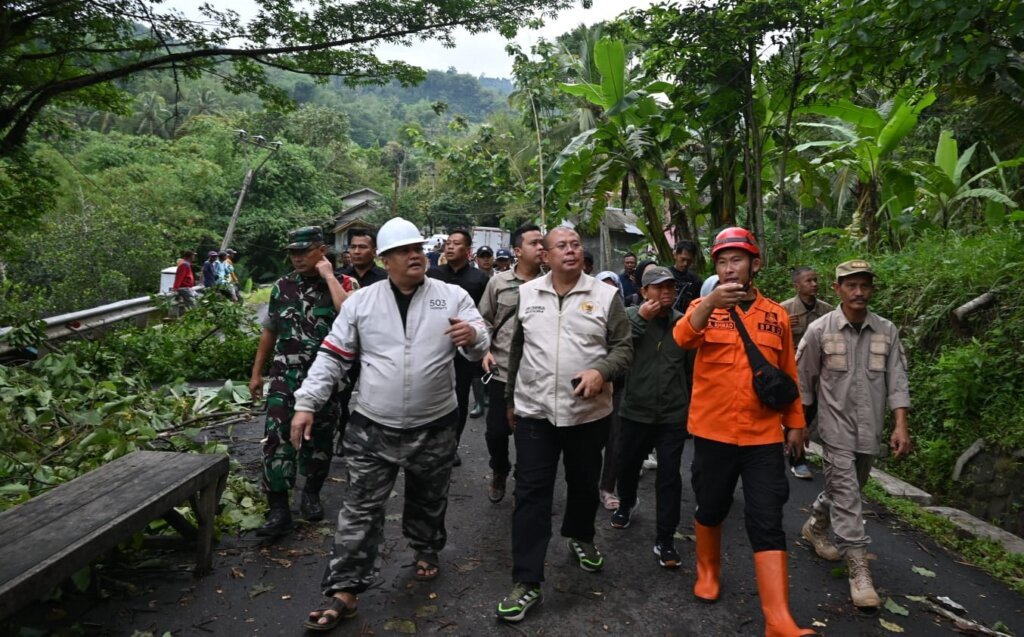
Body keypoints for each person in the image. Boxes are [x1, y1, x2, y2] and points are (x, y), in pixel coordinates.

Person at [290, 217, 489, 631]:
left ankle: (426, 546)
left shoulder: (451, 296)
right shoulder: (361, 303)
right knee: (360, 509)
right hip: (372, 425)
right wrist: (307, 402)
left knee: (428, 498)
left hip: (435, 422)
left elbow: (480, 339)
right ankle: (345, 589)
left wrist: (473, 338)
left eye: (418, 248)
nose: (414, 255)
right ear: (386, 259)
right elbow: (332, 356)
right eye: (403, 251)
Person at [673, 227, 813, 637]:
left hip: (762, 436)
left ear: (755, 264)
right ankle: (708, 571)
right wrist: (710, 302)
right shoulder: (702, 307)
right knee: (711, 506)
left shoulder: (776, 315)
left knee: (767, 518)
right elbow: (682, 338)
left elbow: (787, 373)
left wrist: (796, 423)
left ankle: (778, 619)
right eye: (722, 261)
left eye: (737, 260)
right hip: (713, 432)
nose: (729, 268)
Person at [496, 227, 633, 623]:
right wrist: (510, 399)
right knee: (531, 493)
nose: (571, 251)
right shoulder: (527, 294)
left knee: (583, 483)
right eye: (562, 246)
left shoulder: (605, 295)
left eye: (575, 245)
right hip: (535, 412)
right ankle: (526, 581)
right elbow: (517, 350)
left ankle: (581, 536)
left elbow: (624, 348)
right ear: (546, 255)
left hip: (587, 414)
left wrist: (601, 372)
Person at [797, 259, 911, 610]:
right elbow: (803, 382)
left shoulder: (886, 330)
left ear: (871, 289)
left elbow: (897, 380)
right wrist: (798, 425)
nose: (858, 292)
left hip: (870, 429)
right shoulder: (819, 330)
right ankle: (859, 569)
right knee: (848, 495)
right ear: (838, 289)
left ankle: (816, 525)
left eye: (864, 285)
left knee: (849, 488)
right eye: (851, 285)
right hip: (834, 428)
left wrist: (900, 424)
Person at [248, 227, 358, 539]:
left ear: (321, 250)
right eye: (293, 253)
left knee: (319, 440)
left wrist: (329, 277)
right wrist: (257, 373)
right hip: (285, 376)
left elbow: (349, 314)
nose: (297, 258)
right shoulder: (282, 286)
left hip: (325, 379)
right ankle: (278, 508)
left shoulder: (346, 284)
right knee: (276, 438)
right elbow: (270, 330)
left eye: (304, 251)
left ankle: (311, 493)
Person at [611, 265, 691, 569]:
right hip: (635, 409)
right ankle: (626, 502)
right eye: (658, 287)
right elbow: (616, 349)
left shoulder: (683, 322)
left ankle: (665, 538)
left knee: (669, 477)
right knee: (627, 464)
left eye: (670, 287)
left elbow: (691, 369)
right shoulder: (628, 317)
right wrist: (641, 320)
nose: (665, 292)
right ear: (644, 292)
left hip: (672, 414)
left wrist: (689, 406)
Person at [478, 224, 545, 503]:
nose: (541, 247)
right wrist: (484, 350)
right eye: (534, 243)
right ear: (518, 251)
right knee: (495, 432)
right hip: (502, 370)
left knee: (530, 434)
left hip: (537, 374)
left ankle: (524, 477)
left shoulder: (552, 282)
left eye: (543, 243)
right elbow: (484, 320)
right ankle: (500, 468)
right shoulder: (498, 283)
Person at [427, 229, 489, 466]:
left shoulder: (479, 279)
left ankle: (452, 445)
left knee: (460, 397)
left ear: (468, 250)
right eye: (448, 243)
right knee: (432, 394)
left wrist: (479, 342)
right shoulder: (433, 275)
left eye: (456, 243)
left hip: (464, 350)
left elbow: (484, 316)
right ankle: (430, 443)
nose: (450, 247)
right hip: (434, 346)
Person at [333, 228, 389, 456]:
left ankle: (372, 441)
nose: (356, 251)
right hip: (346, 347)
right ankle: (343, 434)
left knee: (374, 397)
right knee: (341, 396)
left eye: (362, 247)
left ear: (374, 251)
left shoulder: (385, 278)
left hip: (375, 348)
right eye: (353, 247)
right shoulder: (338, 278)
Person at [780, 267, 834, 480]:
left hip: (818, 373)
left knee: (808, 413)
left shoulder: (827, 311)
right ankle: (798, 460)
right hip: (792, 372)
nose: (814, 284)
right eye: (809, 281)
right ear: (797, 285)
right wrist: (784, 325)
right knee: (797, 413)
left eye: (815, 280)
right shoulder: (784, 309)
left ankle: (792, 444)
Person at [594, 270, 626, 510]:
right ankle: (586, 483)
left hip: (619, 385)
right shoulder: (585, 313)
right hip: (590, 386)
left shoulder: (628, 316)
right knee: (590, 440)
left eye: (612, 288)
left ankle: (607, 488)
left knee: (616, 439)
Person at [670, 239, 704, 313]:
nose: (685, 263)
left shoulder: (696, 280)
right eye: (682, 259)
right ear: (675, 255)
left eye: (689, 261)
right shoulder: (666, 275)